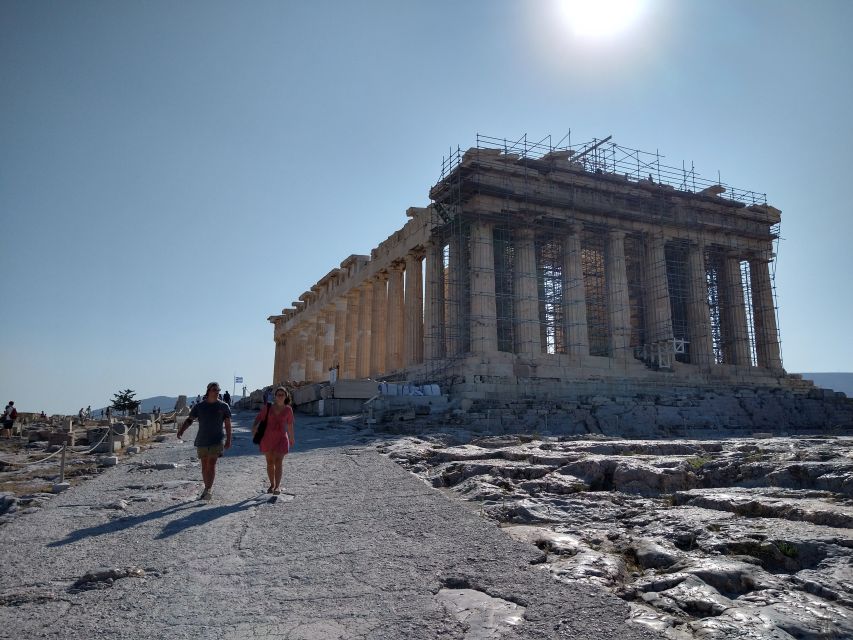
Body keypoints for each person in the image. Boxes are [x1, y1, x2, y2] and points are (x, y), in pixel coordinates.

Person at [177, 381, 232, 501]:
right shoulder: (199, 406)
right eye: (214, 390)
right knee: (204, 466)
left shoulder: (223, 406)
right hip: (202, 439)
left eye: (218, 390)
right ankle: (206, 488)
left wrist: (229, 439)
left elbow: (227, 424)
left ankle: (208, 489)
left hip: (217, 440)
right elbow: (190, 419)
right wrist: (181, 430)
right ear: (208, 391)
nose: (217, 392)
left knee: (211, 465)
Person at [252, 386, 295, 495]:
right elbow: (259, 417)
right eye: (278, 394)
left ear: (286, 396)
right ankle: (272, 484)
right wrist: (254, 426)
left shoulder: (288, 409)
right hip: (267, 437)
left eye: (282, 394)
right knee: (270, 462)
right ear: (275, 396)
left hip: (281, 438)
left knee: (278, 461)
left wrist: (291, 438)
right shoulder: (268, 407)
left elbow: (289, 425)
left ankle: (277, 486)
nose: (280, 396)